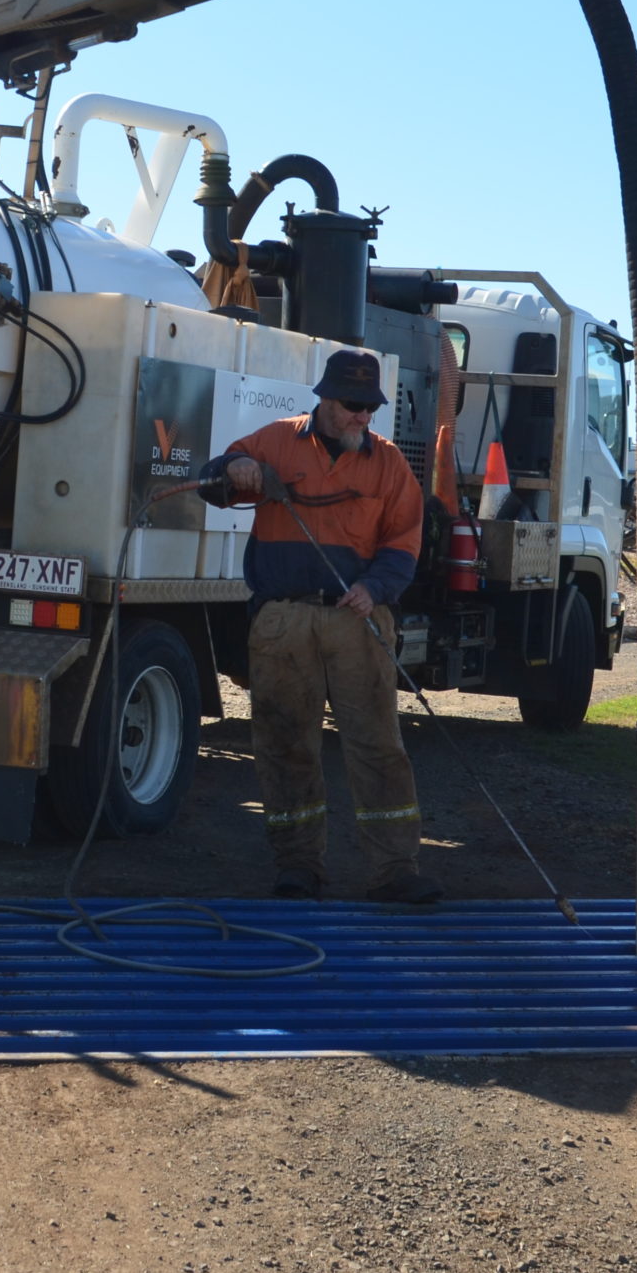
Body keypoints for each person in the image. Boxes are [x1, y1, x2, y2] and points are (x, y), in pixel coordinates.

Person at [203, 348, 442, 904]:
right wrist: (232, 470)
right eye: (354, 405)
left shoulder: (388, 464)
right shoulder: (275, 442)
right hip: (283, 620)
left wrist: (375, 588)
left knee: (378, 745)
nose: (363, 417)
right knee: (285, 743)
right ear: (326, 400)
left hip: (357, 619)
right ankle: (298, 865)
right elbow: (214, 479)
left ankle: (394, 869)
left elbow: (405, 541)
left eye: (370, 407)